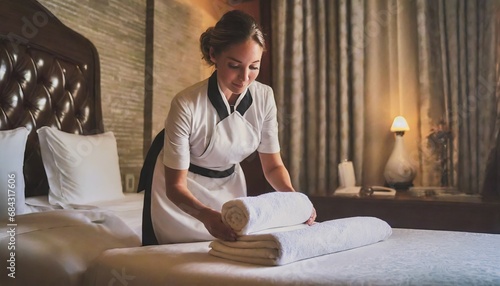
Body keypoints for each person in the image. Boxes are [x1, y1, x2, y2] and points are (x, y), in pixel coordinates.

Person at [150, 10, 316, 244]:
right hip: (183, 196)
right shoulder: (186, 104)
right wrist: (205, 216)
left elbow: (273, 166)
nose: (244, 77)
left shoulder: (264, 97)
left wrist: (294, 200)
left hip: (231, 186)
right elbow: (175, 186)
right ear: (213, 55)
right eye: (235, 65)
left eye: (254, 67)